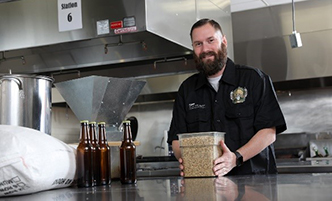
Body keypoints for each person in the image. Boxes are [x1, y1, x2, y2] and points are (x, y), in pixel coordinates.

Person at [167, 18, 287, 176]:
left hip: (255, 183)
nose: (205, 49)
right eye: (198, 44)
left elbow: (268, 132)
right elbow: (177, 139)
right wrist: (187, 159)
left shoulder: (254, 79)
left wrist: (235, 158)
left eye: (211, 40)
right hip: (206, 188)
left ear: (223, 41)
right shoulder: (187, 90)